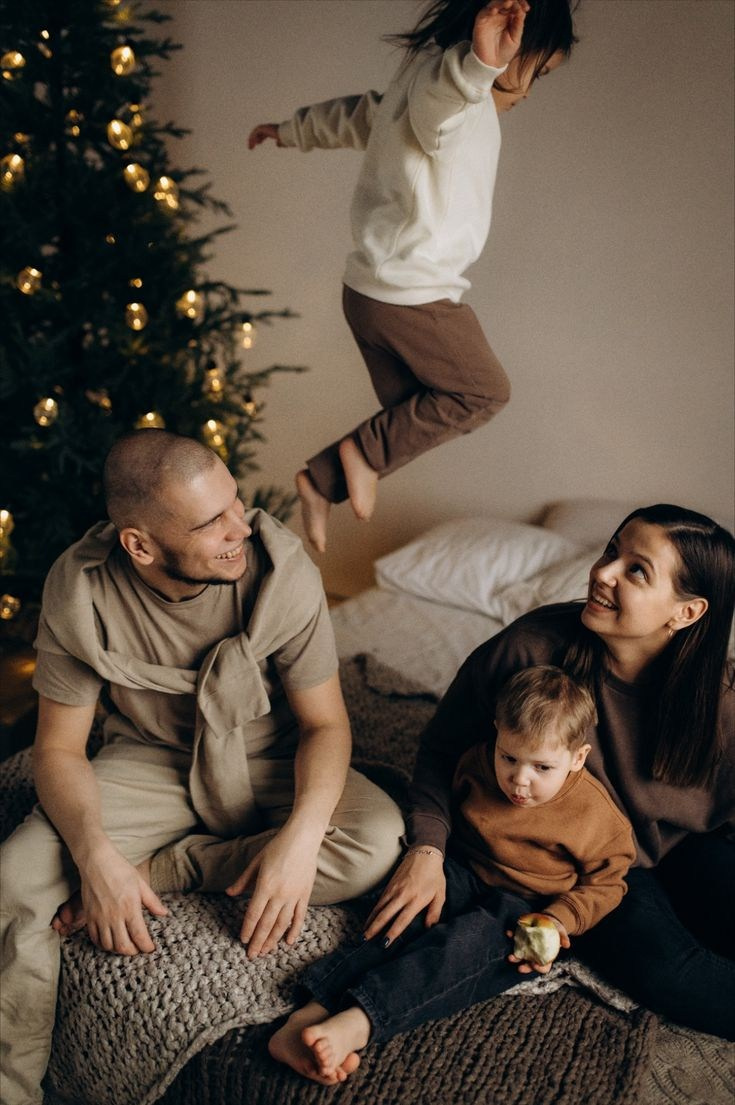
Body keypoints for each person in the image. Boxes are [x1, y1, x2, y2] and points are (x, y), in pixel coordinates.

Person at [0, 430, 404, 1105]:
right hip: (149, 760)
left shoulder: (282, 571)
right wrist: (95, 857)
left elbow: (326, 725)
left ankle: (173, 866)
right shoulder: (81, 589)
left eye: (235, 504)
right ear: (140, 545)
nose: (237, 527)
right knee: (14, 878)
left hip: (268, 752)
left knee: (377, 844)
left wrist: (301, 841)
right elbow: (59, 749)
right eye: (210, 521)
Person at [360, 504, 735, 1041]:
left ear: (687, 612)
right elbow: (443, 749)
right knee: (669, 973)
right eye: (612, 551)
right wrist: (427, 849)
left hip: (690, 846)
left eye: (637, 569)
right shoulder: (532, 647)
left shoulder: (717, 701)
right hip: (594, 867)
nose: (602, 572)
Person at [248, 0, 577, 553]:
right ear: (501, 45)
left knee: (412, 415)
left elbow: (362, 116)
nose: (527, 91)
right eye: (535, 73)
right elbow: (442, 104)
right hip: (411, 295)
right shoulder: (453, 95)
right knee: (483, 392)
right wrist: (478, 65)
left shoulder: (417, 80)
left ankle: (321, 480)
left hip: (368, 294)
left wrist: (292, 130)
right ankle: (355, 457)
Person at [268, 664, 636, 1085]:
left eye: (542, 768)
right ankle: (314, 1008)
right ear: (497, 733)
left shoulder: (596, 815)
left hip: (524, 906)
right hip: (462, 867)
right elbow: (439, 799)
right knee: (400, 916)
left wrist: (560, 918)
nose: (519, 779)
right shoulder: (475, 762)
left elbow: (609, 881)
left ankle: (360, 1020)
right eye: (509, 757)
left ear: (577, 758)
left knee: (462, 952)